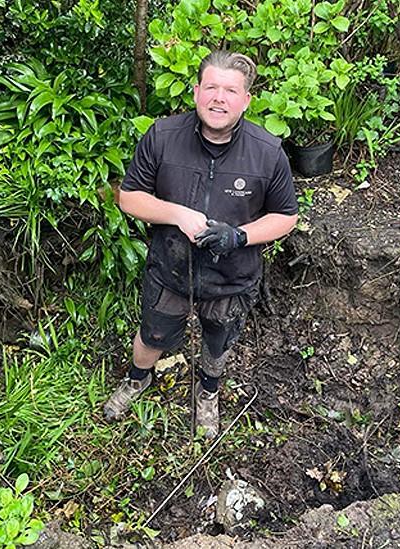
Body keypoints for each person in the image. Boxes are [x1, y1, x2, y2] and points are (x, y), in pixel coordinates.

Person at [102, 50, 298, 439]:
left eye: (230, 90)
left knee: (219, 337)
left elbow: (286, 217)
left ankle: (208, 392)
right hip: (170, 267)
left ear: (246, 100)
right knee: (153, 333)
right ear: (195, 92)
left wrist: (238, 236)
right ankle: (137, 379)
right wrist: (177, 213)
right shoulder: (162, 135)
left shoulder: (268, 150)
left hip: (232, 275)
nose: (219, 98)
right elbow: (128, 198)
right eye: (211, 87)